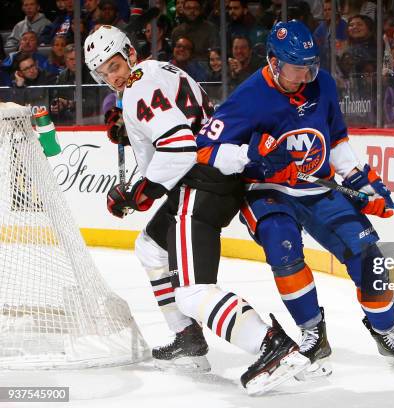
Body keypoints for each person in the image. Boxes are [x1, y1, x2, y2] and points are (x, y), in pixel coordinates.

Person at [195, 20, 394, 378]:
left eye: (311, 66)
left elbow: (336, 140)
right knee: (283, 246)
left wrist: (363, 184)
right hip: (268, 190)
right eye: (298, 68)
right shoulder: (249, 96)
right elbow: (205, 149)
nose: (306, 76)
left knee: (370, 259)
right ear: (274, 62)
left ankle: (387, 333)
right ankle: (312, 335)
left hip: (319, 186)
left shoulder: (322, 84)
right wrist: (253, 159)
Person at [83, 25, 309, 395]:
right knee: (150, 248)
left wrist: (139, 192)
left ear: (130, 54)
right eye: (104, 71)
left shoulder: (138, 90)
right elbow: (180, 124)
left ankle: (270, 346)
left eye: (115, 64)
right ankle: (187, 339)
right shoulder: (159, 70)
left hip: (200, 183)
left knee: (192, 291)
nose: (113, 75)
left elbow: (179, 147)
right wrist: (132, 130)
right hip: (216, 172)